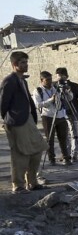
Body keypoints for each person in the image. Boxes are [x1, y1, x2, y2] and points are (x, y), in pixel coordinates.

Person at [0, 51, 46, 192]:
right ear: (15, 65)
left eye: (26, 62)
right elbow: (2, 104)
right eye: (22, 62)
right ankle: (18, 185)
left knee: (38, 149)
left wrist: (33, 115)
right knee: (20, 154)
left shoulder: (22, 80)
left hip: (28, 120)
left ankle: (31, 182)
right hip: (16, 122)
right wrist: (8, 121)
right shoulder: (9, 81)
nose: (26, 65)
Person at [33, 71, 71, 166]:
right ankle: (51, 158)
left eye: (51, 79)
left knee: (63, 137)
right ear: (42, 80)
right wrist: (51, 100)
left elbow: (69, 99)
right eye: (47, 80)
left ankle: (66, 157)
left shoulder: (56, 88)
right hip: (48, 116)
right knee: (50, 138)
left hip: (60, 114)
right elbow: (38, 104)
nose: (50, 82)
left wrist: (67, 92)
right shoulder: (38, 91)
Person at [55, 67, 78, 161]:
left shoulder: (74, 86)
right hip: (60, 113)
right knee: (63, 135)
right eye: (58, 77)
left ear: (66, 76)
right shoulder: (54, 86)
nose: (59, 79)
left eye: (61, 76)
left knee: (74, 134)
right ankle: (65, 153)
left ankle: (74, 153)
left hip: (72, 112)